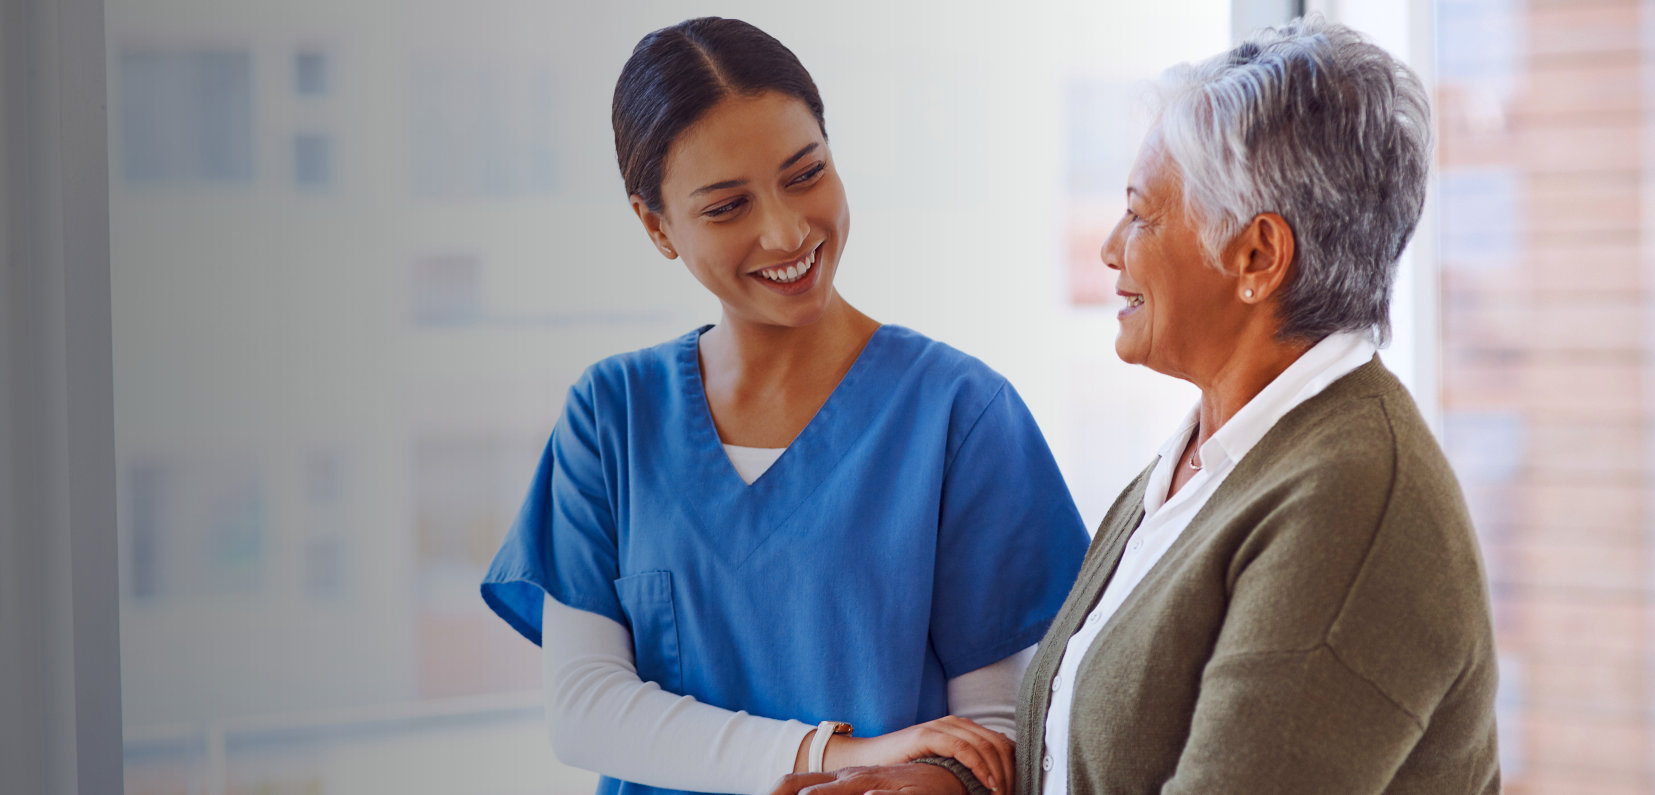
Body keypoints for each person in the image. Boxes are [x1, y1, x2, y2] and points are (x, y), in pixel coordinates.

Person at [772, 15, 1500, 795]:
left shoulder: (1351, 500)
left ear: (1255, 255)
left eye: (1142, 214)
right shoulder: (1207, 457)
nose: (1111, 246)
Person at [479, 17, 1090, 795]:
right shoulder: (611, 418)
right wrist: (837, 753)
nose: (786, 229)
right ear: (656, 225)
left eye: (805, 174)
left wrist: (921, 781)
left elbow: (995, 731)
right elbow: (587, 710)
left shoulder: (959, 415)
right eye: (727, 206)